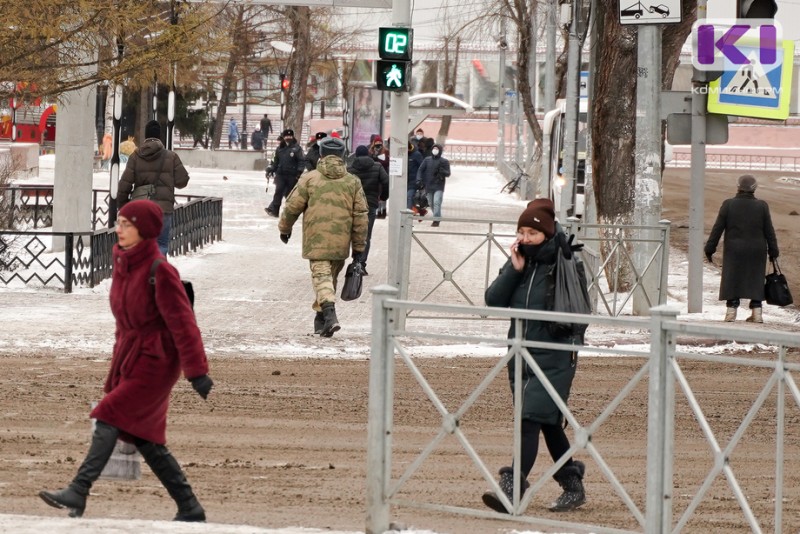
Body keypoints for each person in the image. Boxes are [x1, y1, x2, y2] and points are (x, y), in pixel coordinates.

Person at [39, 200, 213, 522]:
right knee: (145, 438)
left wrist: (197, 371)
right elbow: (124, 326)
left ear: (144, 230)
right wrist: (117, 367)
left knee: (109, 414)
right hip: (133, 358)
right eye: (118, 222)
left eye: (126, 224)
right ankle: (190, 507)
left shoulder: (159, 270)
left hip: (157, 363)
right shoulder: (124, 264)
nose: (118, 229)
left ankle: (79, 489)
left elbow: (183, 323)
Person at [482, 198, 586, 514]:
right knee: (548, 424)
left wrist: (567, 349)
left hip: (554, 357)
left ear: (547, 233)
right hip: (520, 355)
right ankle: (573, 484)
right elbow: (494, 300)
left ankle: (512, 489)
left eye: (532, 233)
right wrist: (514, 270)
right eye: (522, 231)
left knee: (528, 421)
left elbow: (581, 312)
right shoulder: (519, 260)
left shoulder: (565, 261)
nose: (526, 238)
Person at [278, 137, 368, 337]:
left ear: (321, 155)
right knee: (329, 280)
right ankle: (321, 321)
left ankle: (330, 315)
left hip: (316, 240)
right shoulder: (353, 182)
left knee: (322, 278)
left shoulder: (310, 179)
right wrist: (359, 248)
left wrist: (285, 229)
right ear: (343, 156)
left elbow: (292, 207)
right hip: (341, 243)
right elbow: (361, 217)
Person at [704, 174, 779, 323]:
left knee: (733, 277)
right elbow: (769, 230)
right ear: (754, 188)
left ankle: (731, 312)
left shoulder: (728, 204)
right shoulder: (762, 206)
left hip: (734, 249)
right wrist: (773, 250)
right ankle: (757, 313)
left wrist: (710, 248)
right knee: (756, 278)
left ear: (738, 187)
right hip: (757, 249)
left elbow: (718, 228)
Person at [117, 120, 190, 256]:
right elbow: (182, 181)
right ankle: (157, 273)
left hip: (141, 209)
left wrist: (123, 206)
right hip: (163, 210)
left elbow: (124, 184)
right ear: (160, 136)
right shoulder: (171, 157)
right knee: (161, 245)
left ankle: (143, 274)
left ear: (146, 136)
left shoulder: (135, 156)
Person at [347, 145, 389, 276]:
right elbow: (386, 181)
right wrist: (383, 197)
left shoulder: (350, 169)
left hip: (353, 205)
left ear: (356, 155)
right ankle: (361, 264)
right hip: (370, 204)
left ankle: (354, 260)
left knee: (352, 233)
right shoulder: (377, 166)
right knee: (366, 235)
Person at [265, 129, 305, 217]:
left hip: (292, 175)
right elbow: (274, 161)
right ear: (283, 137)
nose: (288, 138)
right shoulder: (279, 149)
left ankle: (291, 211)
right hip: (280, 175)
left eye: (290, 136)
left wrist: (299, 172)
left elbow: (302, 161)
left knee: (290, 194)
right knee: (278, 192)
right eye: (286, 136)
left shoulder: (297, 149)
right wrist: (270, 169)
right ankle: (275, 210)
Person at [416, 143, 451, 227]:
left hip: (439, 185)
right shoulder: (427, 160)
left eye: (437, 149)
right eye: (434, 149)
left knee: (436, 202)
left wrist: (442, 171)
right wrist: (419, 179)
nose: (435, 150)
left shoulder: (444, 161)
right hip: (428, 185)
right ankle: (438, 215)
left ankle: (436, 220)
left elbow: (448, 173)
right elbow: (420, 170)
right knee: (431, 203)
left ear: (440, 151)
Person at [406, 141, 424, 210]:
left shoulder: (416, 154)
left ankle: (408, 215)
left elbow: (422, 167)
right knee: (405, 198)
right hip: (404, 181)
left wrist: (420, 179)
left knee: (409, 196)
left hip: (413, 181)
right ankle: (419, 210)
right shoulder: (402, 154)